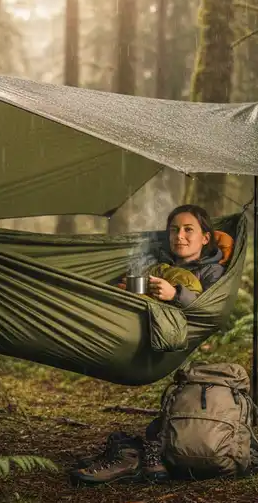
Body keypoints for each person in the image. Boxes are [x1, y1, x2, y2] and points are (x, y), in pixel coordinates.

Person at [71, 204, 226, 485]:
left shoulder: (212, 272)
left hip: (178, 340)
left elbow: (210, 311)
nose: (180, 235)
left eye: (188, 229)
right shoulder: (155, 263)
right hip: (133, 333)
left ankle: (148, 450)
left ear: (205, 237)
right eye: (174, 229)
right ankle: (143, 449)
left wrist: (175, 293)